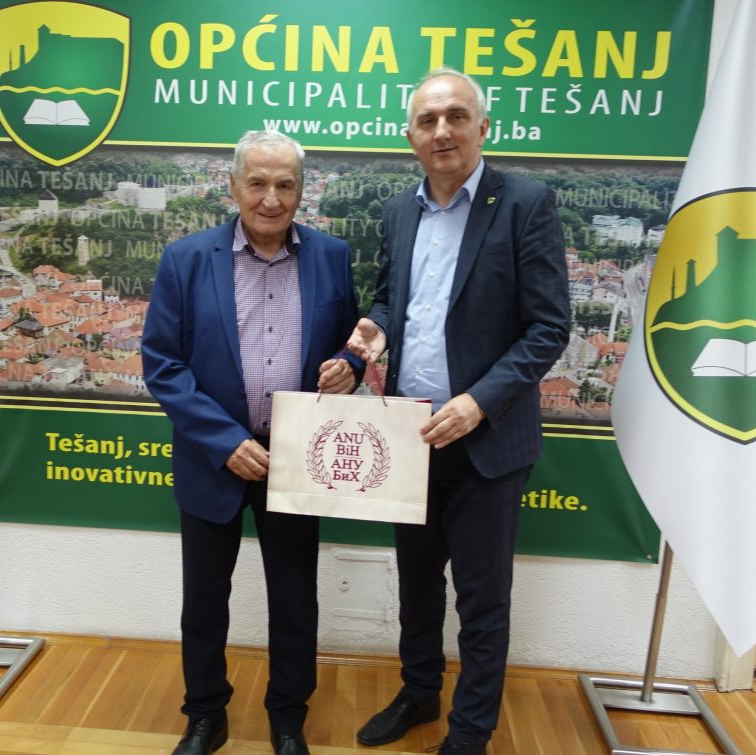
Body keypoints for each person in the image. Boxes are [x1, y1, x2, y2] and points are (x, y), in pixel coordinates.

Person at [347, 69, 570, 754]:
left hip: (486, 441)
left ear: (482, 127)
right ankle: (419, 693)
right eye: (427, 120)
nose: (441, 130)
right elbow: (391, 299)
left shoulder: (525, 203)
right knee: (417, 587)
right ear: (410, 135)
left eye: (455, 116)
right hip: (410, 436)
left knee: (482, 601)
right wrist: (374, 330)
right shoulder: (398, 210)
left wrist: (478, 402)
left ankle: (470, 732)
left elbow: (549, 327)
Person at [141, 130, 360, 755]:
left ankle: (287, 717)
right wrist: (225, 441)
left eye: (285, 185)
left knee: (295, 598)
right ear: (233, 185)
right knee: (205, 601)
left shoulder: (332, 256)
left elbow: (353, 339)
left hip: (297, 459)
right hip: (215, 458)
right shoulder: (186, 259)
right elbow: (163, 365)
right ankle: (205, 715)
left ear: (302, 190)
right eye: (258, 183)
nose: (271, 199)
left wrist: (351, 364)